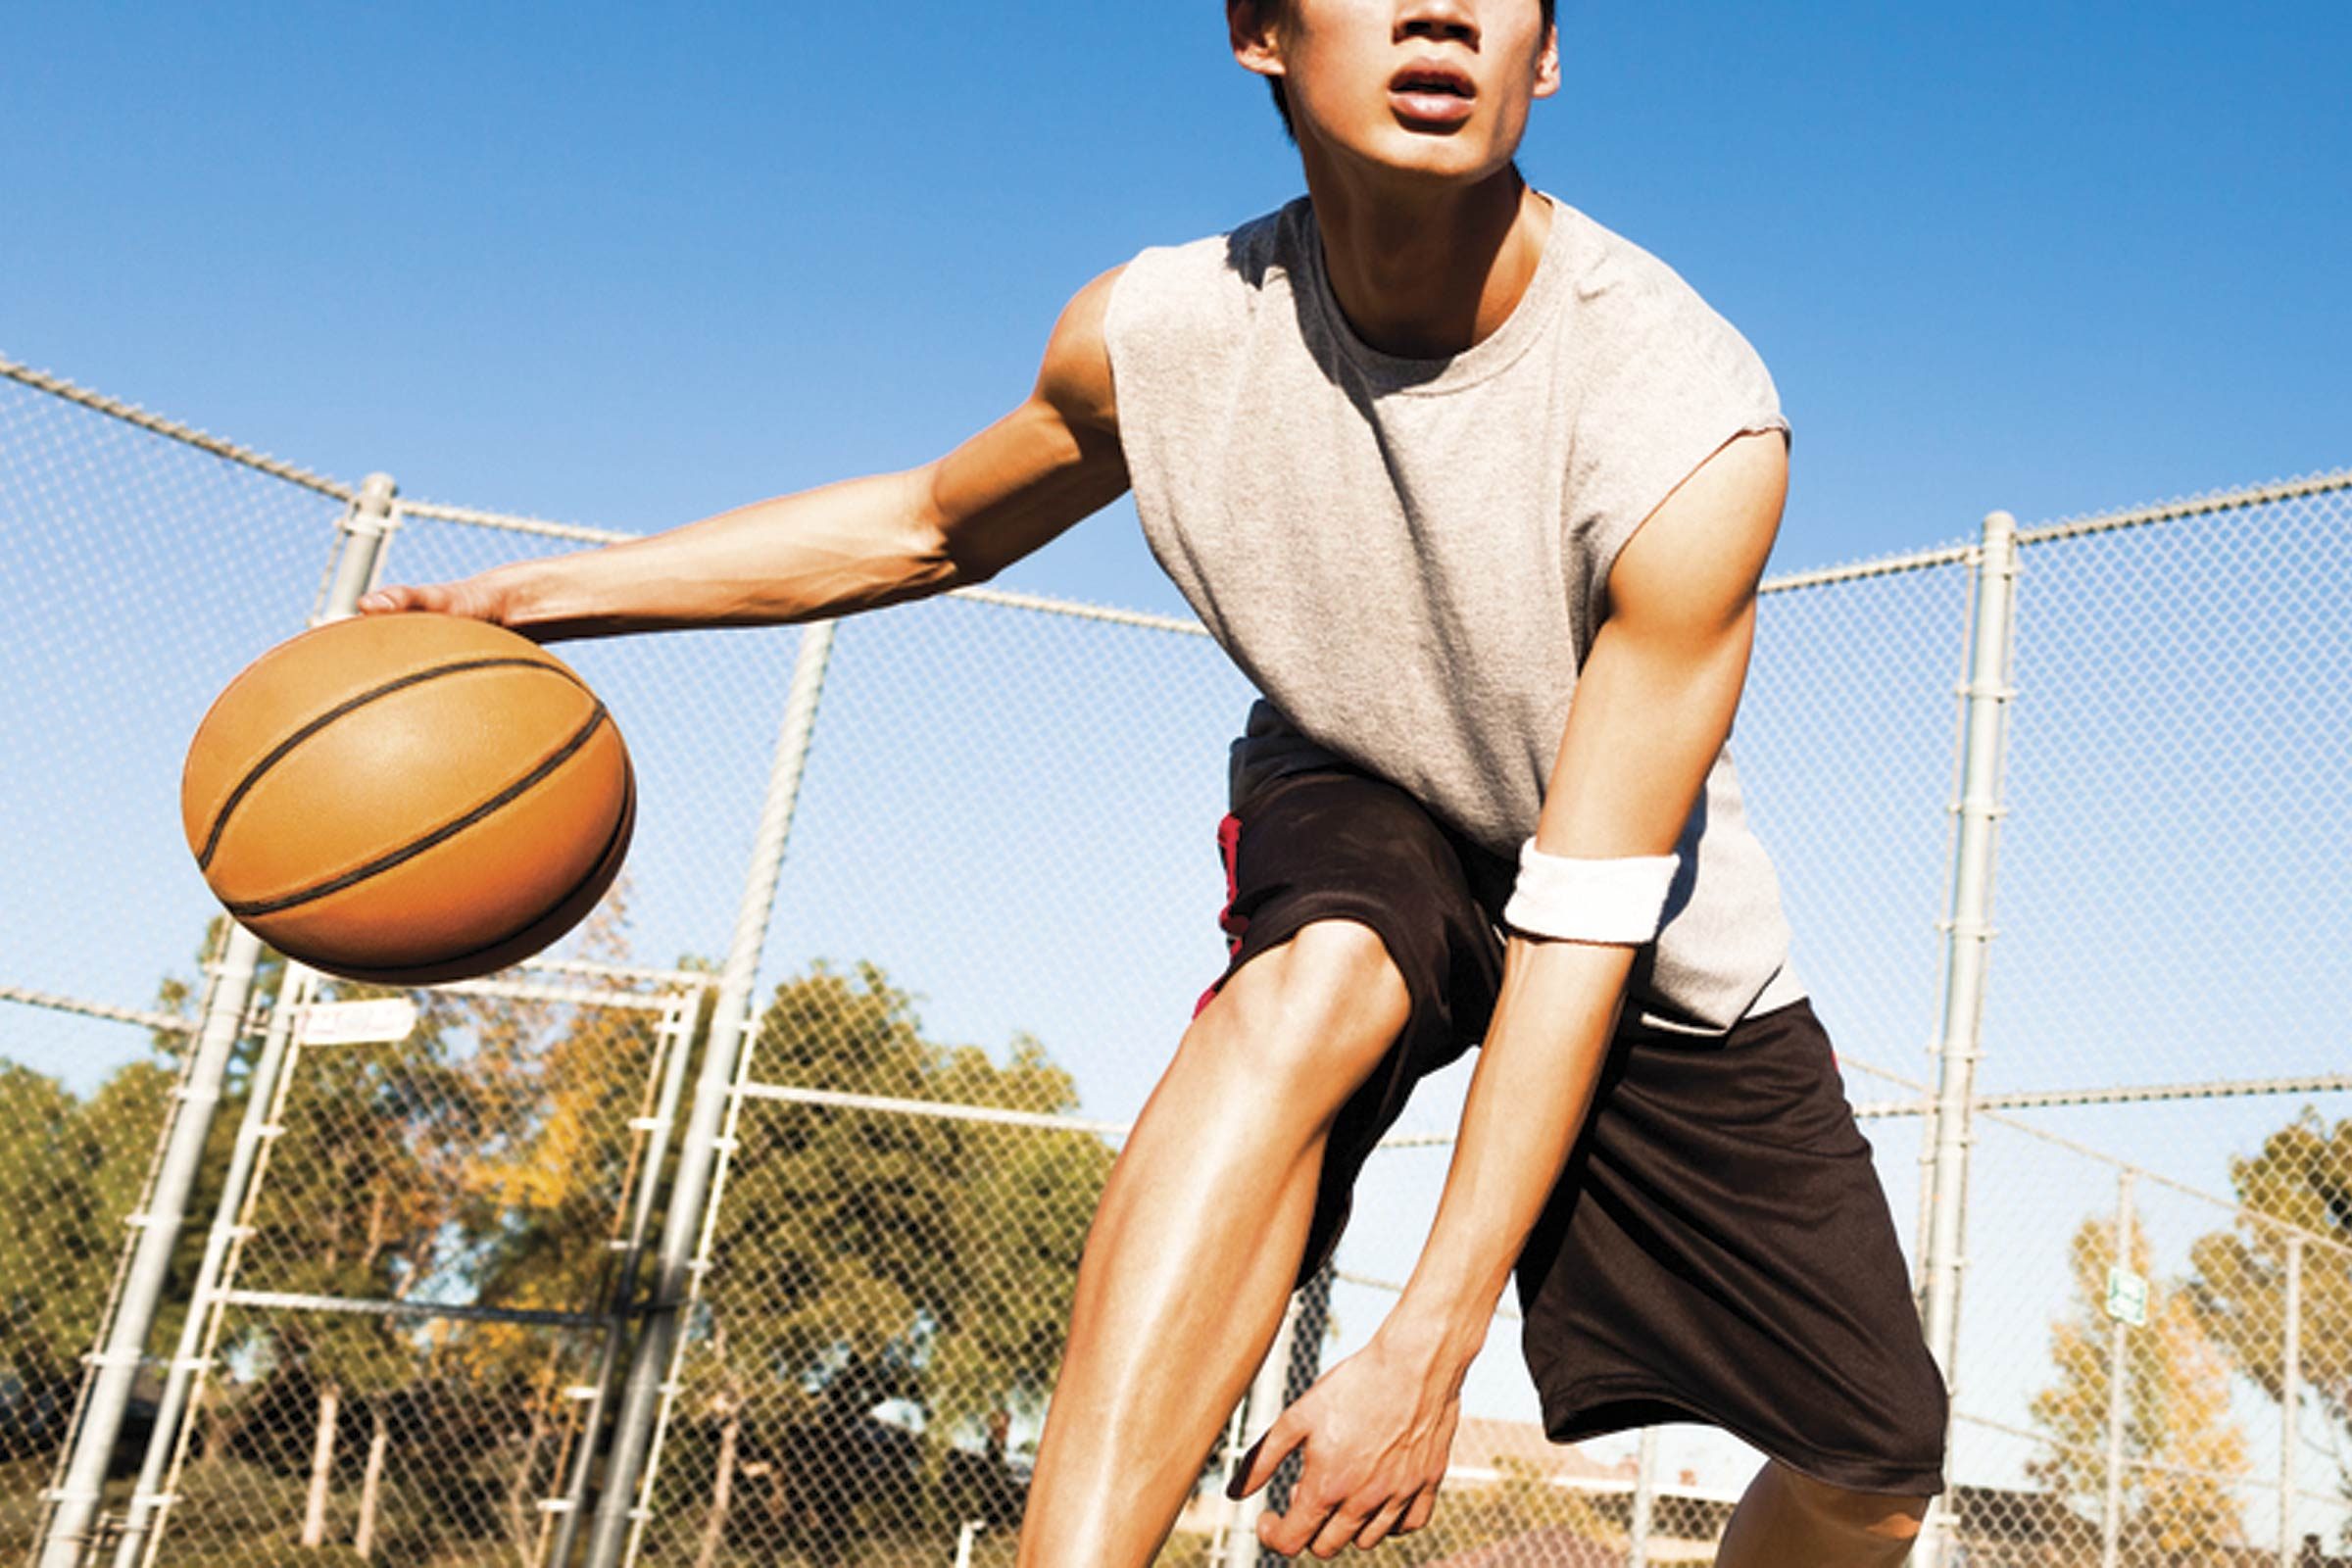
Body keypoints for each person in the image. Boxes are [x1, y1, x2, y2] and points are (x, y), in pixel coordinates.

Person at [360, 3, 1948, 1562]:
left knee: (1873, 1468)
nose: (1442, 11)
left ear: (1544, 55)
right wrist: (531, 599)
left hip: (1623, 906)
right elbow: (925, 523)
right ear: (1262, 31)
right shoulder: (1163, 332)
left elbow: (1586, 908)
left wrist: (1427, 1342)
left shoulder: (1683, 412)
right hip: (1363, 773)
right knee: (1315, 979)